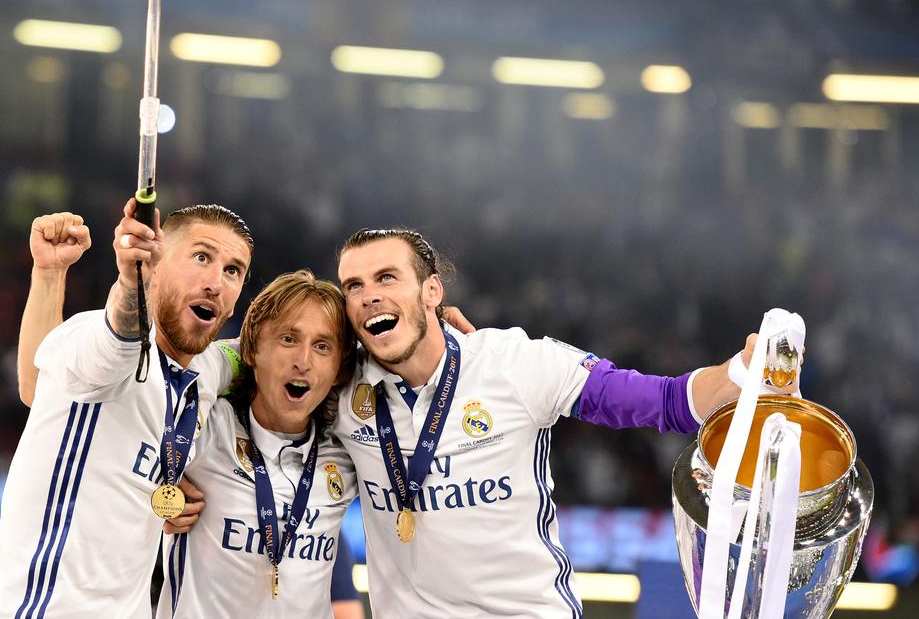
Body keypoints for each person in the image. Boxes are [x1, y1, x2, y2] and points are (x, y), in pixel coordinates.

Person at [331, 228, 792, 618]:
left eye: (386, 277)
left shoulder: (515, 364)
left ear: (432, 290)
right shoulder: (338, 393)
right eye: (353, 285)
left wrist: (739, 373)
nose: (369, 295)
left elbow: (664, 401)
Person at [0, 200, 253, 619]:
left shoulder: (207, 372)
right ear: (156, 268)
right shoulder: (99, 341)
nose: (216, 281)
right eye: (201, 257)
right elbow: (119, 336)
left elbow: (36, 387)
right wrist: (131, 282)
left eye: (233, 270)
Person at [155, 269, 359, 618]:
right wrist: (156, 493)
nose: (304, 361)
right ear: (251, 350)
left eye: (322, 346)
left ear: (339, 370)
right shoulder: (205, 430)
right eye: (288, 339)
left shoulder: (349, 455)